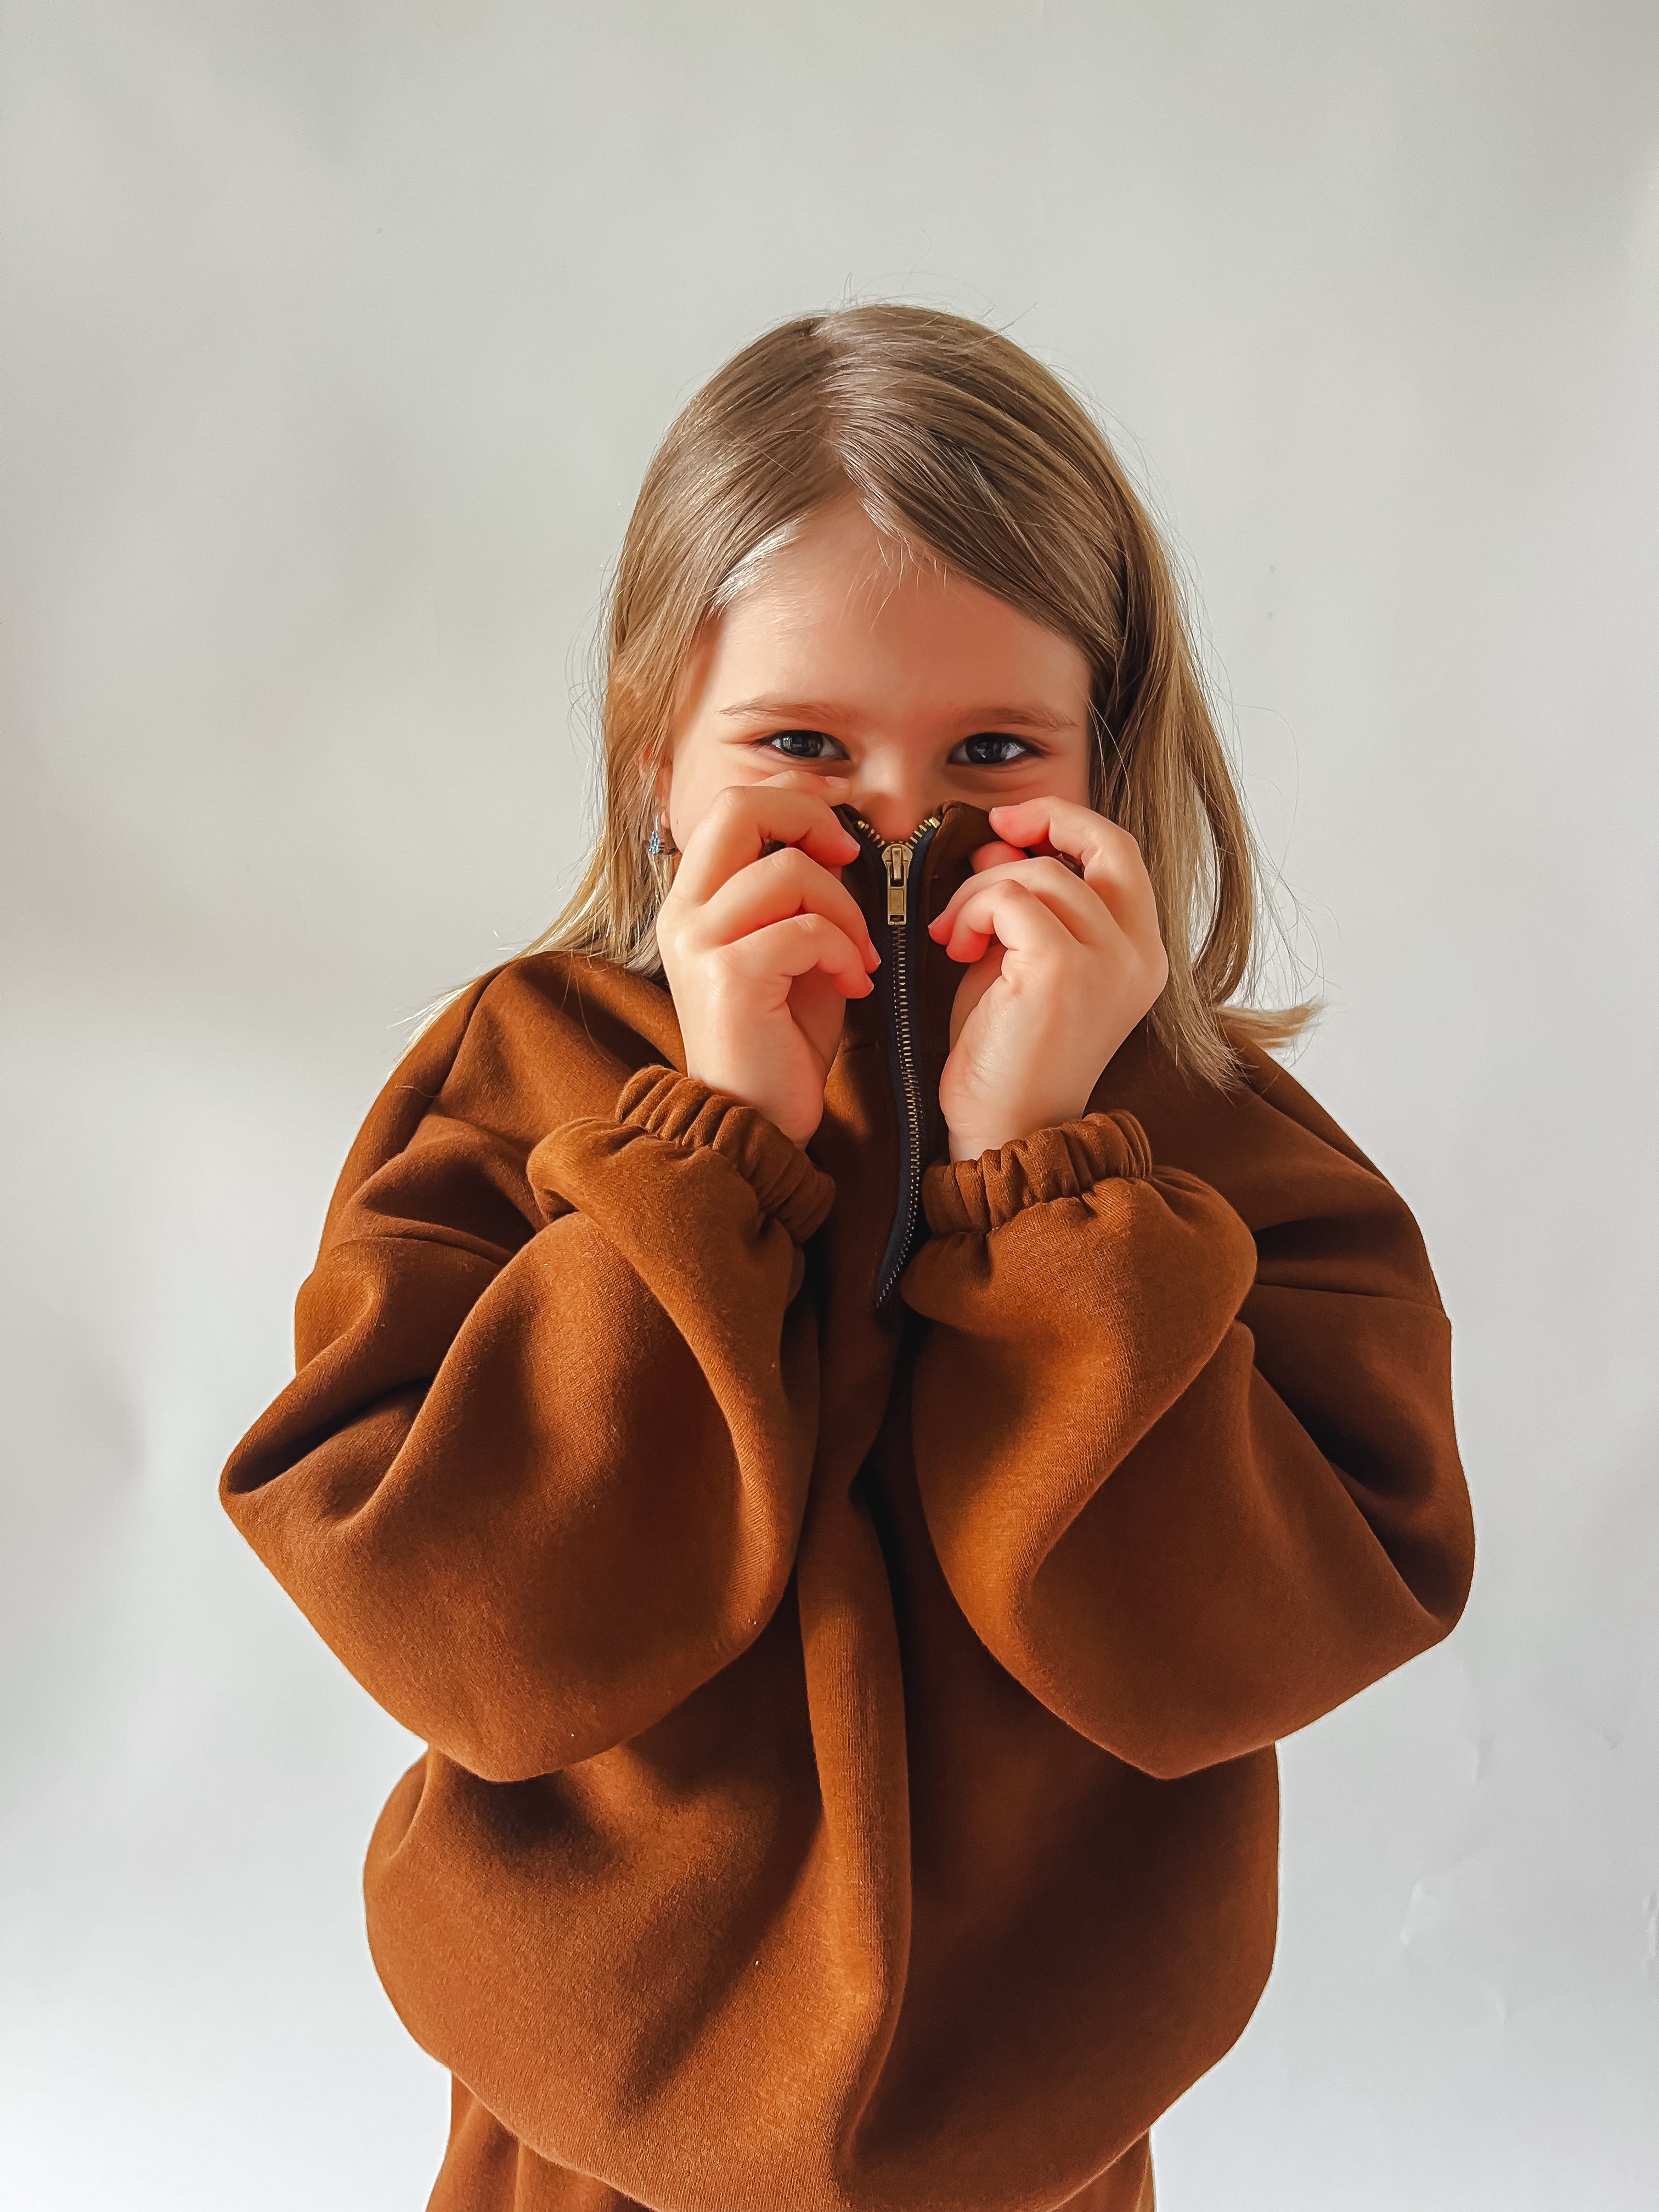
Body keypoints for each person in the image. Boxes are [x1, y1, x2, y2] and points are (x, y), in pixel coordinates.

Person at [221, 305, 1475, 2212]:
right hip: (580, 2101)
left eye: (993, 752)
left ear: (1110, 758)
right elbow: (460, 1624)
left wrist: (1047, 1185)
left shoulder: (1195, 1136)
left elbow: (1278, 1621)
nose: (897, 826)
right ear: (659, 755)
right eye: (804, 745)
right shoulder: (521, 1079)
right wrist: (707, 1152)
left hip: (1037, 2112)